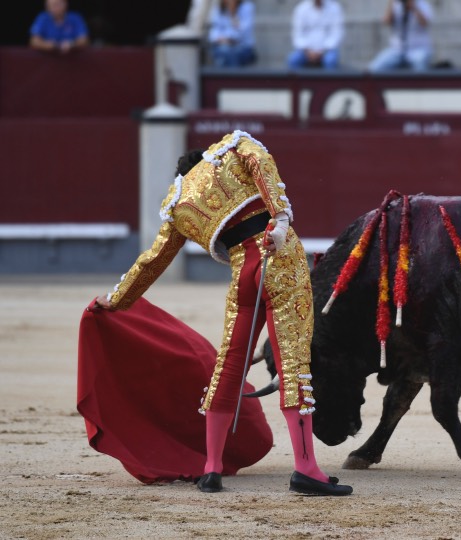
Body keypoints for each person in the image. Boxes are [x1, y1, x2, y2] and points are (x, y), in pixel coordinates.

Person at [92, 130, 352, 497]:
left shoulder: (179, 204)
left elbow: (153, 260)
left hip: (242, 271)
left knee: (229, 364)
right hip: (277, 255)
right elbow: (260, 161)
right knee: (293, 362)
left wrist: (117, 299)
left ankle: (211, 468)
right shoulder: (231, 148)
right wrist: (279, 216)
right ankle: (306, 468)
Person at [368, 0, 435, 71]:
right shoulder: (396, 4)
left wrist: (414, 8)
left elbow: (425, 23)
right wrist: (391, 2)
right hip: (397, 49)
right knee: (374, 68)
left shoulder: (423, 4)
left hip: (418, 49)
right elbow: (387, 21)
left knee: (419, 65)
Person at [286, 0, 345, 69]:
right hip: (305, 51)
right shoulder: (301, 8)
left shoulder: (334, 8)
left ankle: (328, 80)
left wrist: (322, 52)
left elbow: (337, 34)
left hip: (327, 50)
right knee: (293, 60)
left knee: (330, 60)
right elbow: (297, 34)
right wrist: (308, 51)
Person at [208, 0, 257, 67]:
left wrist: (233, 14)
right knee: (224, 51)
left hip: (244, 48)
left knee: (231, 53)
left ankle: (231, 76)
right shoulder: (218, 8)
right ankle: (231, 76)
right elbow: (213, 34)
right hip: (222, 46)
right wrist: (225, 39)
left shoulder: (247, 7)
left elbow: (241, 34)